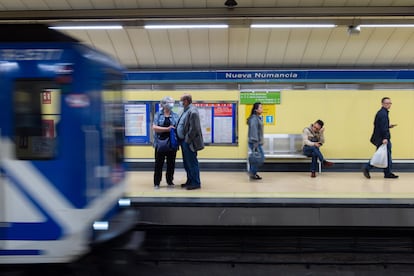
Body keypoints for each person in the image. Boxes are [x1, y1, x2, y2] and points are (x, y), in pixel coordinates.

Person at [363, 97, 398, 179]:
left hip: (380, 137)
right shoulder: (383, 114)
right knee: (383, 155)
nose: (389, 105)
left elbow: (379, 125)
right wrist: (385, 138)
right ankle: (367, 168)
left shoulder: (381, 113)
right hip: (383, 138)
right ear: (382, 104)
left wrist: (388, 126)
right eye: (387, 103)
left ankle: (387, 173)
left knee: (384, 155)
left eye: (390, 103)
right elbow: (382, 127)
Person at [176, 94, 204, 190]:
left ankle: (196, 182)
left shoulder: (193, 111)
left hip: (189, 142)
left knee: (192, 163)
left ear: (186, 101)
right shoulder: (186, 111)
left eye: (181, 100)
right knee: (187, 163)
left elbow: (194, 128)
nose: (180, 102)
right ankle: (190, 180)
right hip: (183, 141)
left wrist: (187, 140)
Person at [152, 96, 179, 189]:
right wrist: (167, 129)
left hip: (172, 144)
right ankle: (156, 182)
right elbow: (154, 127)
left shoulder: (175, 115)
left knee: (171, 164)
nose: (171, 104)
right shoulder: (158, 115)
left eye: (172, 102)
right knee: (158, 164)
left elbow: (177, 128)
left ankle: (170, 181)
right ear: (164, 104)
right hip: (160, 144)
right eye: (169, 102)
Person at [247, 102, 265, 180]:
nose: (262, 109)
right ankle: (252, 172)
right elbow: (254, 131)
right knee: (260, 157)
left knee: (256, 157)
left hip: (256, 142)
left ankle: (253, 173)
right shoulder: (254, 118)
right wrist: (256, 142)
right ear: (256, 109)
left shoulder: (257, 117)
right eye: (260, 107)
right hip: (255, 142)